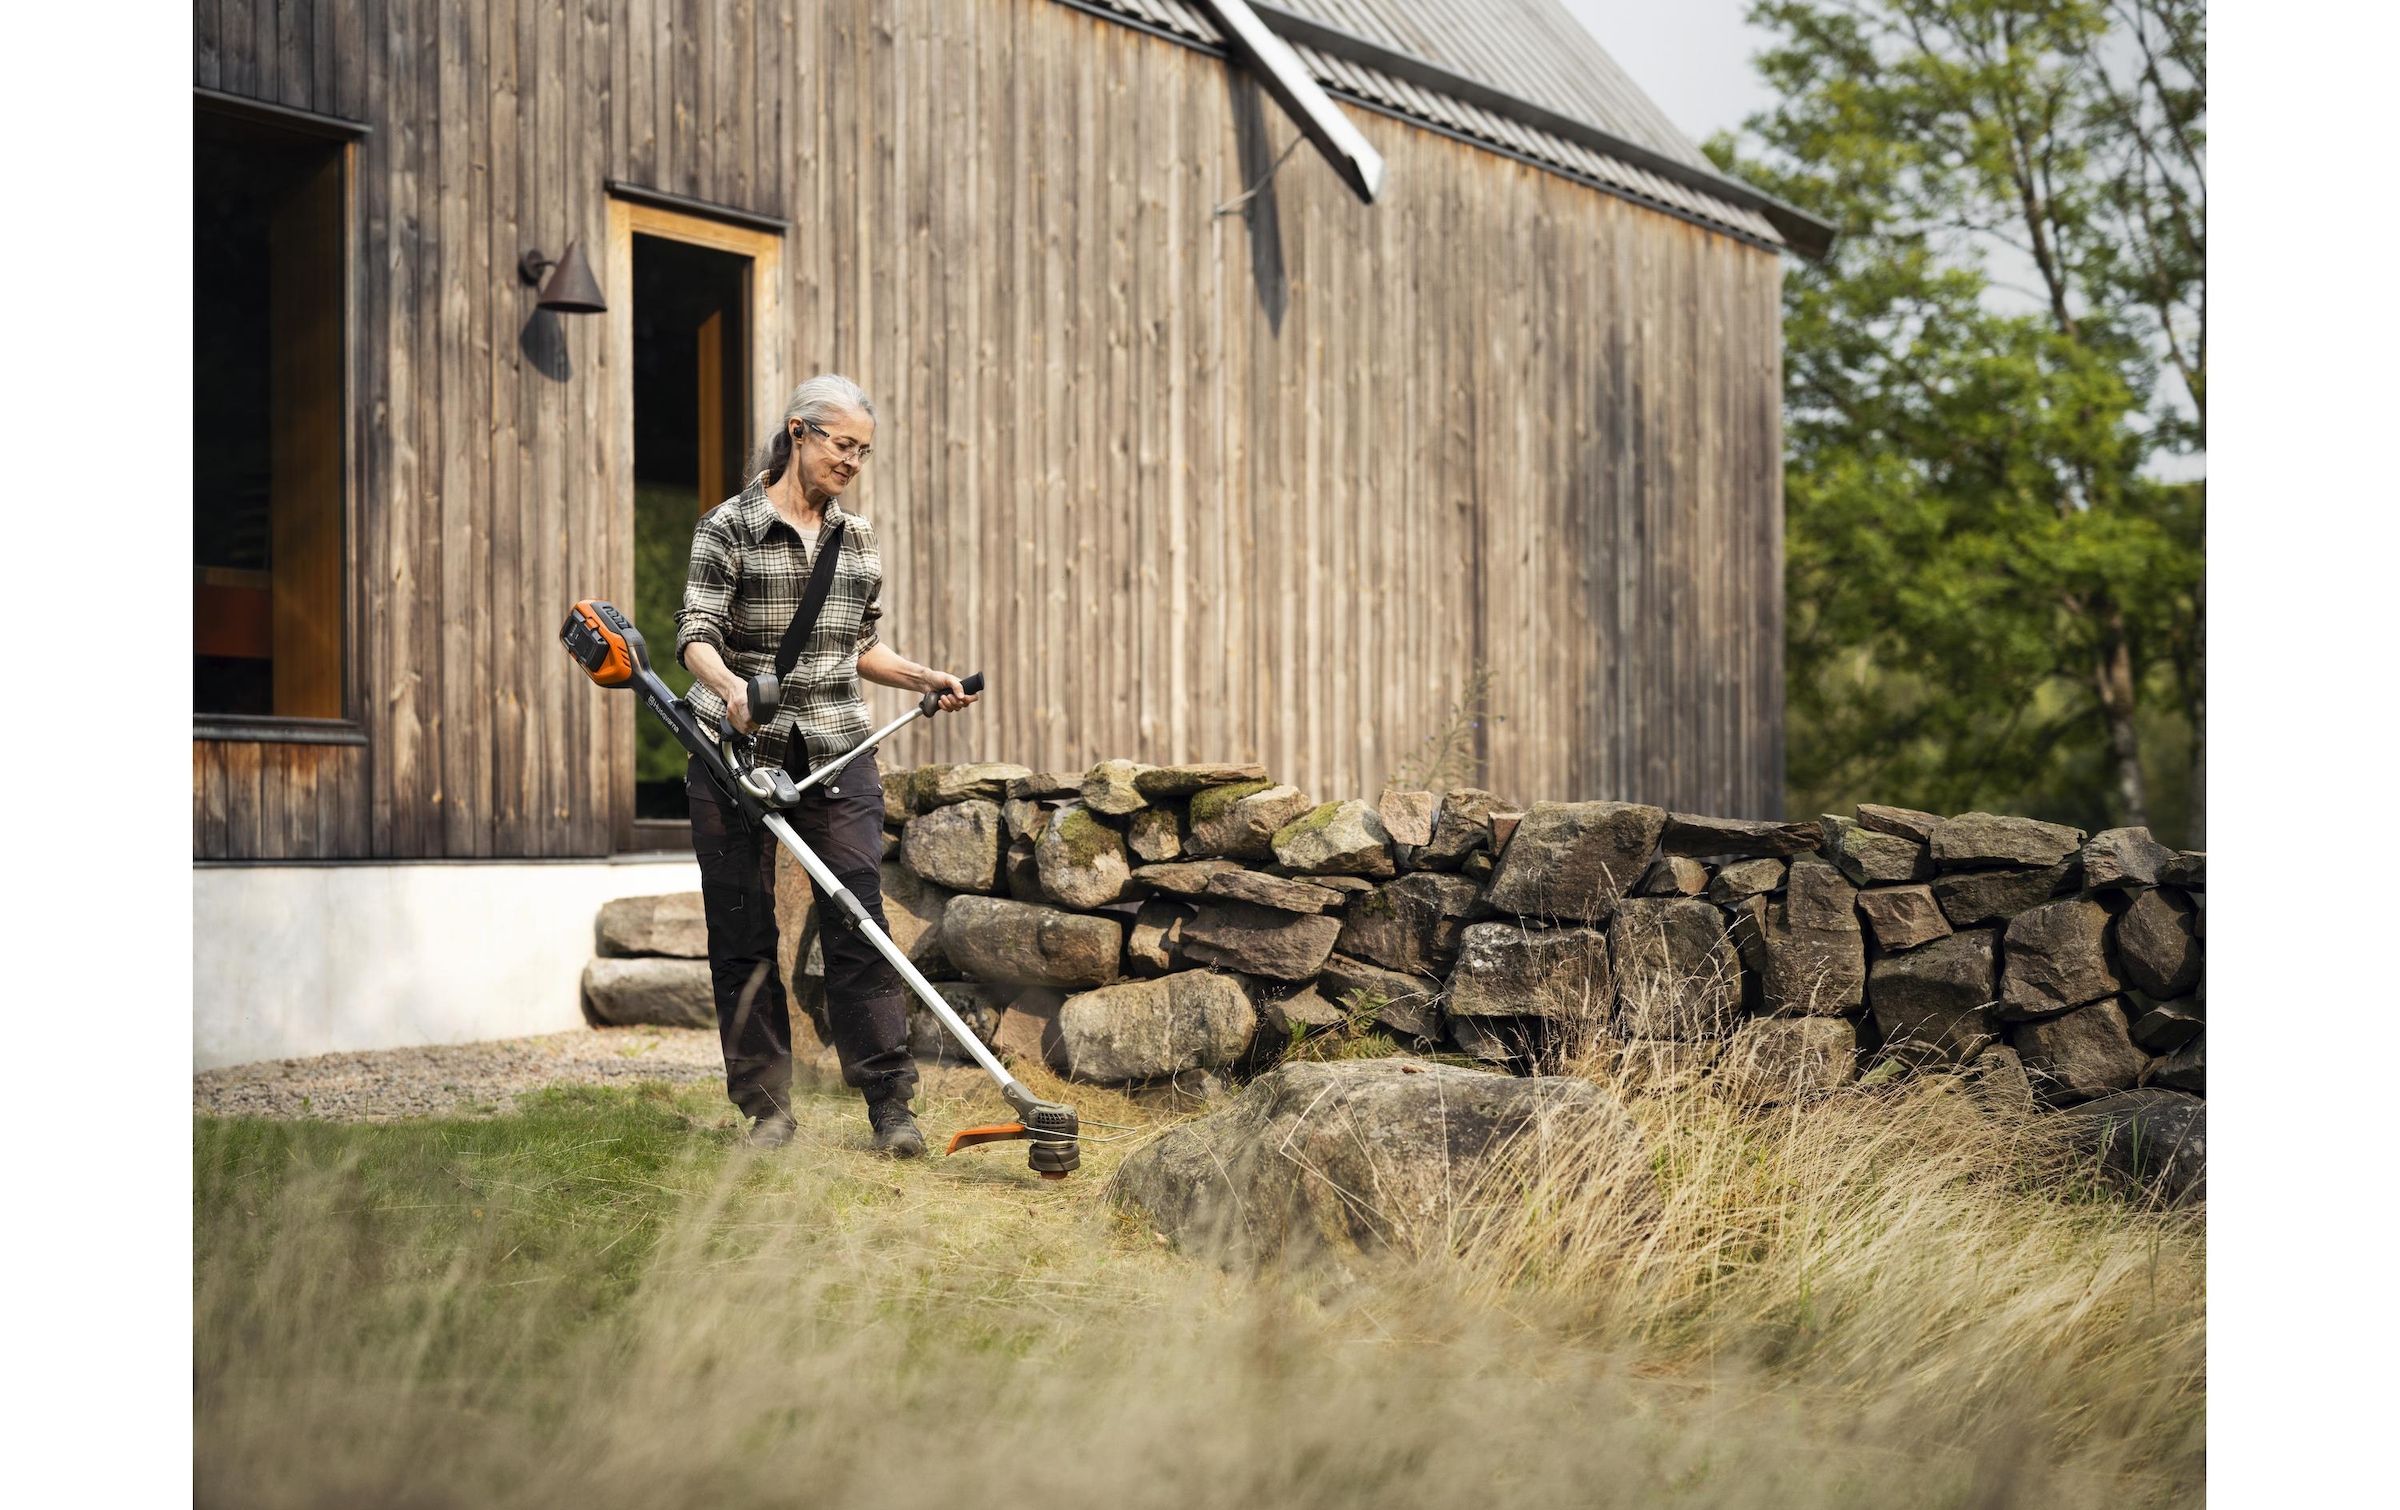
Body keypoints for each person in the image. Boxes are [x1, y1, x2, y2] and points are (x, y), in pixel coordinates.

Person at [674, 374, 974, 1154]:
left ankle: (890, 1107)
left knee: (859, 923)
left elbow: (857, 644)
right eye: (843, 445)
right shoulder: (728, 527)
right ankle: (767, 1113)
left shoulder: (858, 539)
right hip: (734, 753)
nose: (852, 462)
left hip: (838, 748)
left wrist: (923, 678)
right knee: (742, 933)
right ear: (799, 432)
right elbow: (694, 633)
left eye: (864, 452)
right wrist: (734, 690)